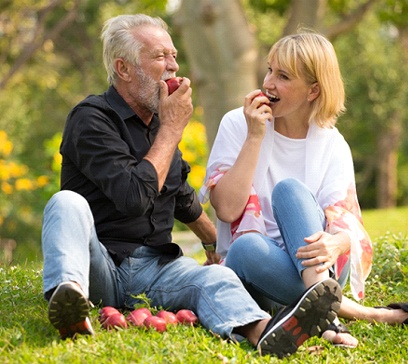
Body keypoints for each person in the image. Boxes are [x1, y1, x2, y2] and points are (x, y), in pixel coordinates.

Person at [41, 15, 343, 359]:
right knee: (66, 203)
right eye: (160, 58)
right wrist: (171, 129)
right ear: (123, 69)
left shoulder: (157, 122)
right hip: (101, 265)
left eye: (173, 55)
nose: (174, 66)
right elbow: (133, 198)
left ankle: (264, 333)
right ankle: (69, 298)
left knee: (216, 276)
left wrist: (212, 239)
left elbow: (180, 195)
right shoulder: (91, 119)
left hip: (156, 269)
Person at [199, 31, 408, 348]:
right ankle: (351, 313)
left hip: (320, 265)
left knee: (290, 191)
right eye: (270, 70)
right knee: (244, 248)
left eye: (283, 76)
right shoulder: (237, 124)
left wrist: (335, 244)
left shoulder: (333, 144)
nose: (268, 83)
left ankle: (322, 309)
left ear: (313, 90)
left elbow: (346, 224)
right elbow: (227, 210)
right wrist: (255, 136)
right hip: (259, 271)